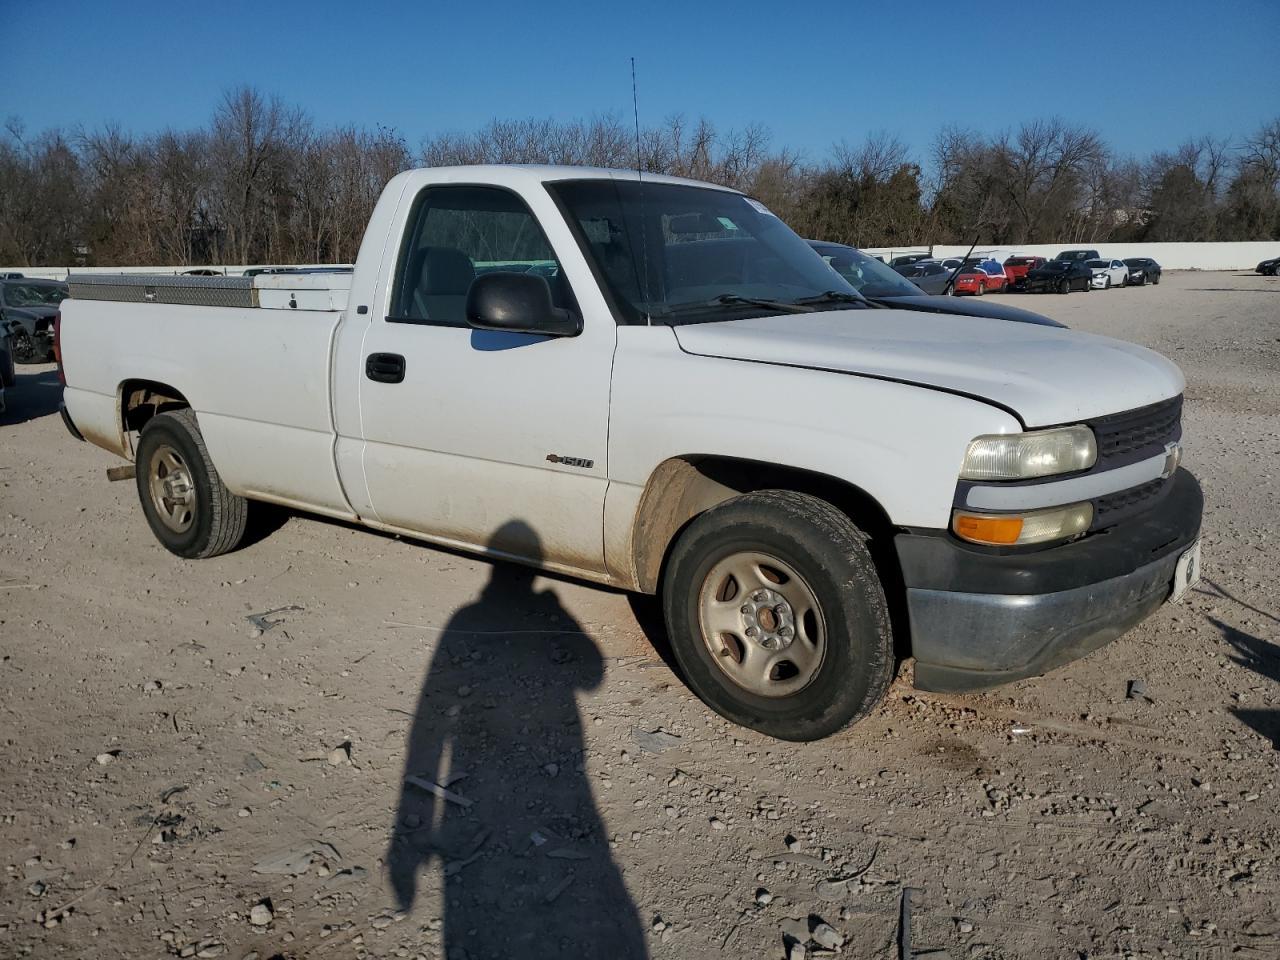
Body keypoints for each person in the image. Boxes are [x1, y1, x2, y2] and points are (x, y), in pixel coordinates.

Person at [387, 521, 647, 958]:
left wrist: (405, 841)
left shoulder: (463, 619)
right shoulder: (505, 614)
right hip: (559, 772)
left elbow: (428, 725)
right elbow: (593, 676)